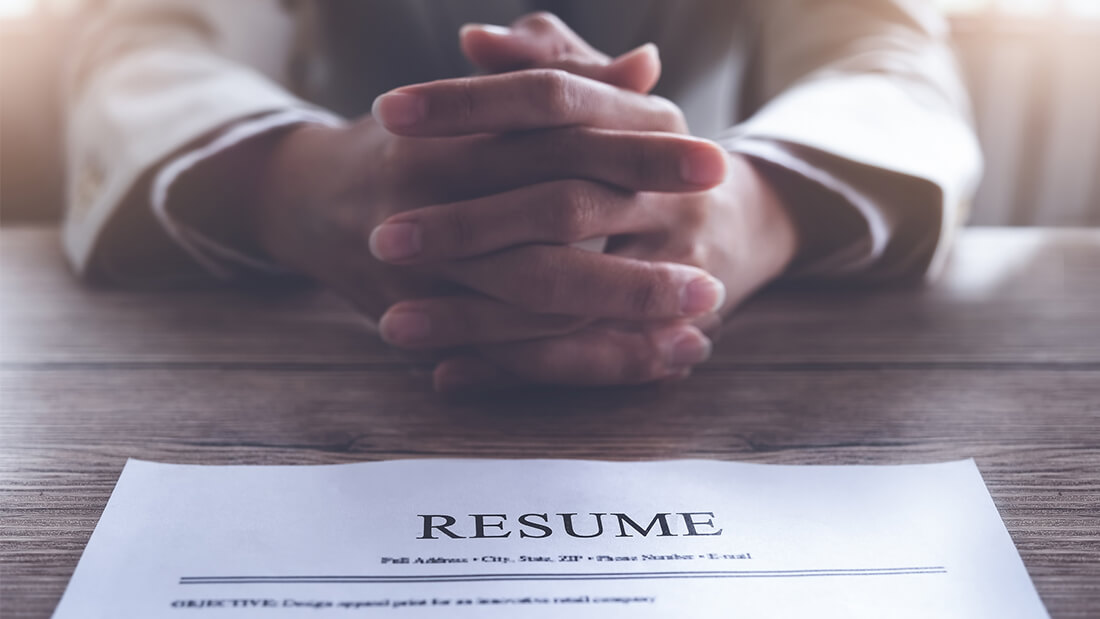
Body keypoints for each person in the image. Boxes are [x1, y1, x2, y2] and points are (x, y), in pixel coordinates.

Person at [63, 0, 982, 391]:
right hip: (333, 294)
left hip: (678, 257)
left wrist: (746, 205)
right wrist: (293, 180)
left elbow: (891, 59)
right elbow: (140, 39)